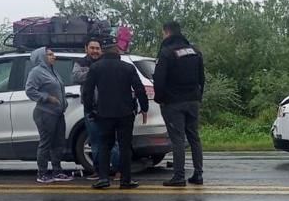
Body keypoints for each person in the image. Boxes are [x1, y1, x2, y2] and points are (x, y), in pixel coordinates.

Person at [82, 40, 149, 189]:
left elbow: (87, 91)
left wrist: (90, 110)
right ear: (118, 53)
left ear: (104, 53)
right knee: (125, 146)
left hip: (104, 113)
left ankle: (104, 178)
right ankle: (126, 180)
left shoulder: (95, 68)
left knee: (105, 145)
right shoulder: (128, 68)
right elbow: (139, 89)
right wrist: (144, 108)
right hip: (125, 113)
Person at [153, 21, 205, 187]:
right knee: (194, 137)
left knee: (178, 140)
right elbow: (201, 78)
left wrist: (160, 99)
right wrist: (198, 96)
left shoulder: (166, 52)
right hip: (193, 101)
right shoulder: (195, 51)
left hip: (173, 103)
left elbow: (159, 80)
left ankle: (179, 176)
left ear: (166, 33)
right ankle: (198, 174)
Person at [72, 37, 119, 180]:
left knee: (113, 142)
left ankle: (118, 170)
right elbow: (76, 77)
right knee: (95, 142)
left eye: (97, 48)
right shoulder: (81, 63)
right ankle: (98, 171)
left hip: (109, 107)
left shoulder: (108, 62)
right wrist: (95, 70)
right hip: (90, 108)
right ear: (86, 49)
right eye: (92, 48)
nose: (95, 51)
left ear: (102, 50)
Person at [25, 47, 73, 184]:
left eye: (53, 54)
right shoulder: (36, 72)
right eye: (50, 54)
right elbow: (30, 91)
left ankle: (57, 171)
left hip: (58, 113)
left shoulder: (53, 71)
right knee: (46, 143)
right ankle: (42, 173)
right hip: (45, 113)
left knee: (58, 143)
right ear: (42, 57)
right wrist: (47, 98)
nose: (54, 57)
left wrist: (64, 103)